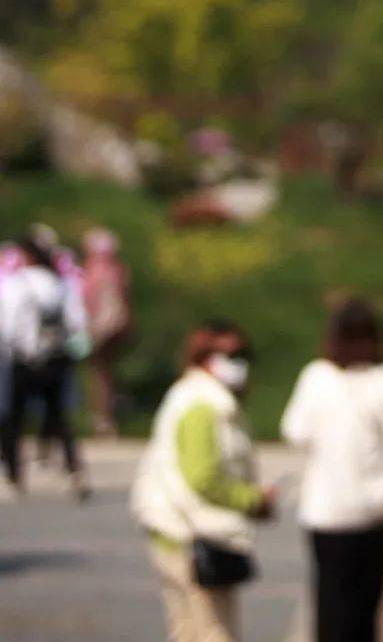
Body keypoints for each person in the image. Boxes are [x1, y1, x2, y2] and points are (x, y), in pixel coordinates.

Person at [281, 296, 383, 642]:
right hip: (374, 510)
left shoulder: (317, 377)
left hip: (327, 513)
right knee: (366, 608)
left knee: (331, 606)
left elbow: (294, 431)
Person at [131, 319, 276, 642]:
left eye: (243, 355)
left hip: (176, 533)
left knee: (187, 632)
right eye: (229, 355)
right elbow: (203, 477)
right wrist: (253, 499)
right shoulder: (204, 405)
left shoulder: (193, 396)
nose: (238, 364)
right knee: (213, 633)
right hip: (192, 539)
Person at [0, 233, 89, 499]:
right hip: (56, 359)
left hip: (24, 359)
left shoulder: (16, 285)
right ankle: (73, 470)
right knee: (59, 417)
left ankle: (14, 474)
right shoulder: (60, 285)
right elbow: (77, 322)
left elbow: (8, 325)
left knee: (13, 419)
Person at [82, 228, 132, 435]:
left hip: (100, 327)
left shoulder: (93, 270)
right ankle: (106, 417)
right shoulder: (118, 270)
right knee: (106, 372)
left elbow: (87, 302)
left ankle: (101, 417)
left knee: (99, 372)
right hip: (116, 325)